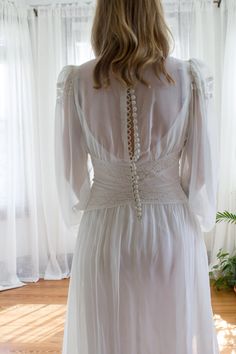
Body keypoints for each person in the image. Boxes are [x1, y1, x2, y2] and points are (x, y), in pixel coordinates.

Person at [54, 0, 220, 353]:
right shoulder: (186, 78)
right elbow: (200, 176)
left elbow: (73, 179)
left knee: (109, 337)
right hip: (171, 231)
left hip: (104, 232)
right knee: (170, 335)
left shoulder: (78, 82)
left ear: (103, 15)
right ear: (154, 12)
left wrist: (103, 188)